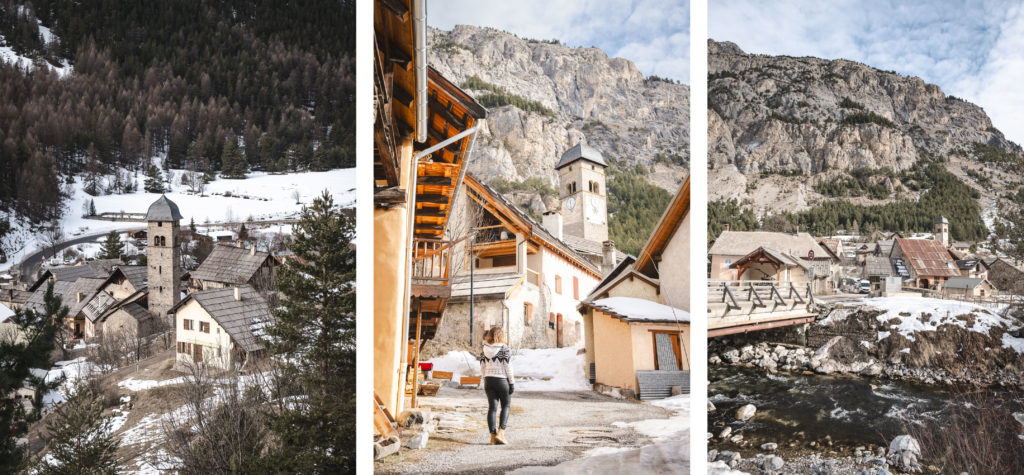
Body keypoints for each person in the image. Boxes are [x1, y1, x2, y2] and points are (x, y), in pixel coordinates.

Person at [478, 327, 515, 445]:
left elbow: (482, 368)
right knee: (506, 406)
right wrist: (512, 383)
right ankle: (501, 433)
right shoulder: (504, 349)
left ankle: (492, 437)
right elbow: (508, 367)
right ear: (501, 336)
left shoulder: (484, 349)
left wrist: (485, 380)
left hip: (488, 380)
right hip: (502, 381)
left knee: (492, 408)